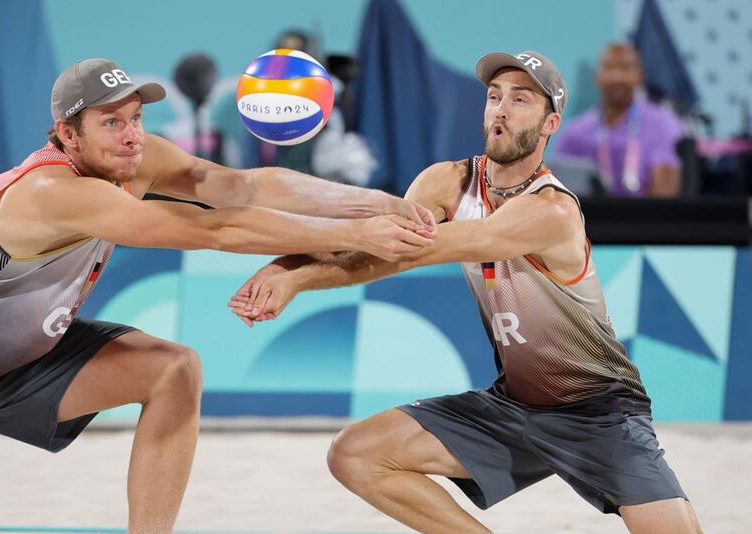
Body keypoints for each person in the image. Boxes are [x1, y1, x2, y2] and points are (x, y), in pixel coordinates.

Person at [0, 58, 437, 534]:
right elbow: (212, 228)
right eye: (112, 123)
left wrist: (374, 202)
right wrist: (358, 234)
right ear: (66, 135)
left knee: (173, 370)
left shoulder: (132, 159)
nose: (132, 135)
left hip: (25, 358)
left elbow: (235, 187)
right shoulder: (53, 192)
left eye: (136, 118)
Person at [230, 51, 702, 533]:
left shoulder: (552, 211)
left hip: (598, 412)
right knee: (355, 453)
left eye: (520, 100)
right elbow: (378, 254)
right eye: (494, 97)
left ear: (550, 124)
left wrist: (292, 267)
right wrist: (291, 275)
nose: (500, 109)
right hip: (513, 406)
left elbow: (417, 247)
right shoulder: (448, 181)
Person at [555, 43, 684, 197]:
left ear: (641, 76)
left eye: (626, 68)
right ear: (598, 77)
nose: (617, 77)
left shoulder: (663, 125)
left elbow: (666, 194)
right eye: (609, 67)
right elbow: (561, 194)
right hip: (588, 218)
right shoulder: (575, 132)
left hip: (646, 219)